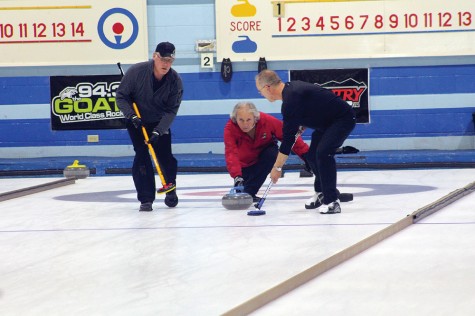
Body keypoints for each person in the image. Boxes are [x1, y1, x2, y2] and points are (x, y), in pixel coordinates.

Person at [255, 69, 356, 214]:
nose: (262, 95)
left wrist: (277, 168)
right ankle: (322, 192)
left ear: (267, 88)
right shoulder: (291, 92)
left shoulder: (291, 99)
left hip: (342, 119)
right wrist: (302, 124)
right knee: (311, 156)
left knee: (323, 153)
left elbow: (288, 141)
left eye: (260, 91)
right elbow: (316, 106)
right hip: (326, 124)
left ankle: (332, 201)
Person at [116, 42, 183, 212]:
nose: (166, 64)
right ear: (155, 56)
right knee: (142, 156)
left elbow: (171, 110)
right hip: (136, 120)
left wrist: (158, 131)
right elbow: (121, 97)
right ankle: (146, 198)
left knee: (165, 157)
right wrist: (131, 116)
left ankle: (170, 189)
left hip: (159, 122)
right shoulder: (136, 72)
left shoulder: (175, 81)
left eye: (170, 60)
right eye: (163, 59)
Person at [224, 101, 309, 202]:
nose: (245, 124)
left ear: (255, 118)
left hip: (264, 158)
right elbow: (231, 153)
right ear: (235, 119)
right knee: (242, 185)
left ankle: (249, 193)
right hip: (244, 165)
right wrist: (237, 176)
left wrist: (308, 157)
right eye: (241, 120)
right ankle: (246, 191)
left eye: (248, 119)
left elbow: (289, 137)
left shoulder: (266, 121)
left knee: (272, 153)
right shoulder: (230, 129)